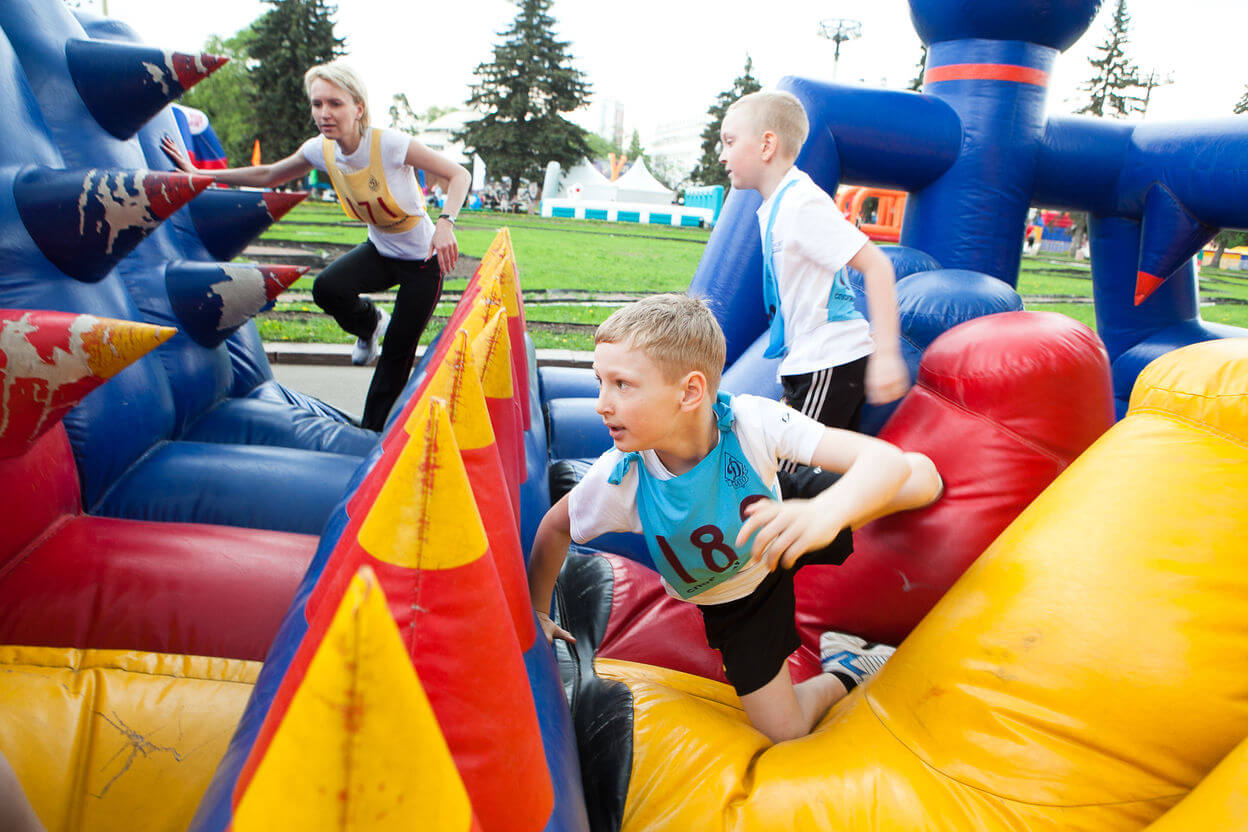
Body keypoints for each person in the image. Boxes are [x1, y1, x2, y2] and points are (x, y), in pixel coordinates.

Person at [527, 295, 942, 744]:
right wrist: (536, 608)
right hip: (739, 600)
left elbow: (885, 460)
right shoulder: (620, 478)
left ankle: (836, 513)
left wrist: (826, 511)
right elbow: (555, 527)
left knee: (921, 477)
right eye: (599, 382)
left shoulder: (750, 421)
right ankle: (850, 667)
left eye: (622, 385)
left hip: (783, 524)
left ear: (690, 392)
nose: (601, 404)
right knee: (786, 728)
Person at [162, 61, 471, 431]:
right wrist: (200, 175)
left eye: (335, 104)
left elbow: (459, 174)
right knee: (327, 288)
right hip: (381, 252)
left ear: (358, 107)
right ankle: (371, 323)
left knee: (396, 356)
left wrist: (445, 224)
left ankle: (371, 432)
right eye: (317, 104)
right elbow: (270, 174)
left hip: (423, 262)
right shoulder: (319, 150)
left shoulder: (389, 145)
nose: (324, 113)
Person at [718, 90, 910, 437]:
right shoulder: (780, 204)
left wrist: (886, 355)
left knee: (791, 467)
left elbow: (878, 266)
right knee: (799, 464)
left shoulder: (800, 205)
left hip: (828, 361)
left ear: (766, 146)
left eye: (729, 142)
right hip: (812, 362)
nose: (722, 155)